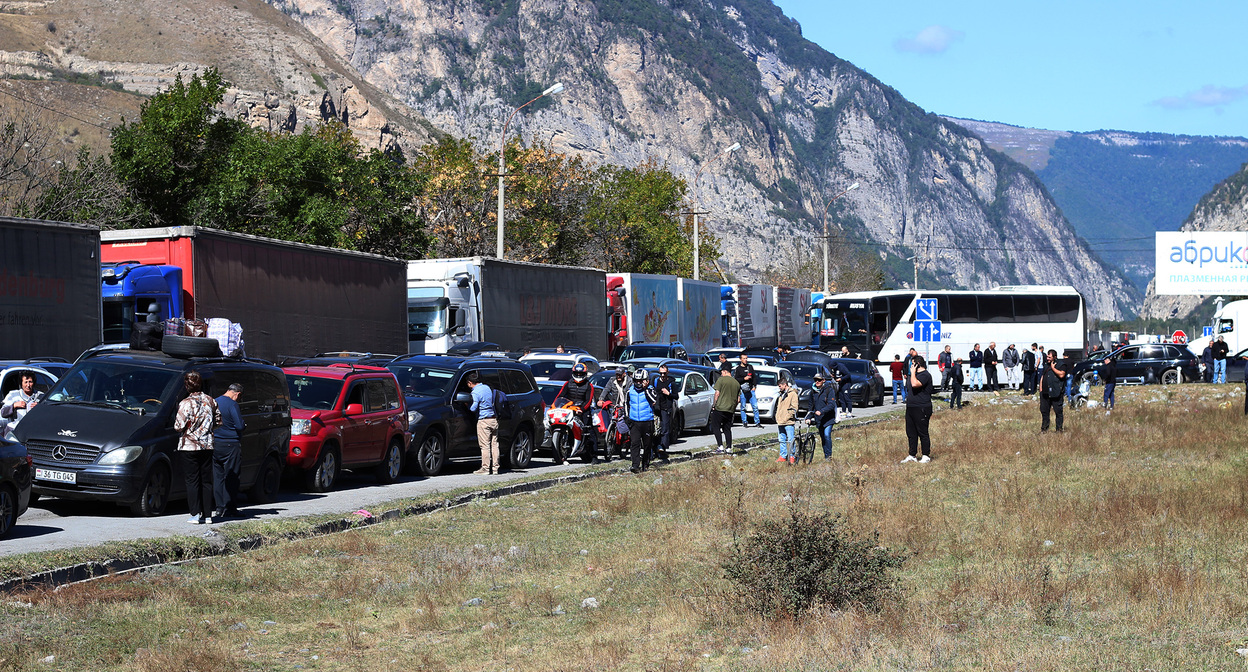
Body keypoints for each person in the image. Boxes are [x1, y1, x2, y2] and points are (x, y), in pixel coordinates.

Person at [174, 371, 219, 525]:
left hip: (189, 446)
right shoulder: (210, 400)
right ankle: (208, 515)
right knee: (206, 480)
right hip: (207, 444)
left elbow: (178, 426)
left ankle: (195, 514)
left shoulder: (185, 403)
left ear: (187, 385)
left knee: (192, 480)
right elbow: (219, 421)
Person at [212, 382, 245, 519]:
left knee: (217, 476)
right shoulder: (232, 405)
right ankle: (230, 507)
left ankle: (219, 507)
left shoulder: (214, 402)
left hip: (215, 443)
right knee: (231, 476)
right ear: (237, 393)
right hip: (230, 443)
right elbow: (239, 425)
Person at [553, 362, 598, 463]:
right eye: (576, 374)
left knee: (589, 430)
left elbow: (588, 400)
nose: (578, 376)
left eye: (580, 374)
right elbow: (560, 396)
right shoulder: (568, 383)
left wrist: (581, 409)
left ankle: (594, 455)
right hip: (569, 409)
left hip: (583, 410)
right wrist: (555, 406)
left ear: (585, 374)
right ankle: (559, 452)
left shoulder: (589, 385)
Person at [624, 369, 659, 473]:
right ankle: (635, 465)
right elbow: (626, 404)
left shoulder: (650, 389)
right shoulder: (630, 391)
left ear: (646, 380)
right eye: (636, 381)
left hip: (647, 421)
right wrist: (627, 417)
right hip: (634, 422)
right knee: (635, 443)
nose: (638, 383)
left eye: (641, 381)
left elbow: (655, 401)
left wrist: (646, 389)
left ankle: (645, 464)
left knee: (647, 445)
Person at [901, 355, 933, 463]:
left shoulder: (925, 375)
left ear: (917, 364)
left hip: (922, 407)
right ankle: (912, 455)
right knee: (911, 432)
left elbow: (915, 384)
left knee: (922, 432)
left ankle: (926, 455)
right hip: (911, 407)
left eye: (912, 363)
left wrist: (913, 372)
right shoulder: (912, 375)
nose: (910, 366)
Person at [467, 372, 500, 474]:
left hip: (484, 420)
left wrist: (466, 405)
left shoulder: (475, 392)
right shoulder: (487, 388)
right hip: (494, 419)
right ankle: (495, 468)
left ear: (469, 383)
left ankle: (485, 468)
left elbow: (473, 408)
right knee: (495, 444)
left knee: (485, 446)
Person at [596, 368, 630, 461]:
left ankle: (626, 440)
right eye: (617, 375)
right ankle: (612, 439)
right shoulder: (612, 380)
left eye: (620, 375)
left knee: (626, 424)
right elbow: (606, 389)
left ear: (624, 374)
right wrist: (601, 399)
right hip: (616, 405)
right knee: (613, 421)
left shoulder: (630, 381)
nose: (618, 376)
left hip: (627, 405)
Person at [1, 371, 41, 438]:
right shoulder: (13, 394)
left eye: (30, 382)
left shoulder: (40, 396)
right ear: (21, 384)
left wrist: (39, 407)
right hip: (13, 432)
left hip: (32, 433)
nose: (28, 385)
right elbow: (3, 412)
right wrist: (14, 406)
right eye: (25, 382)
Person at [710, 366, 741, 453]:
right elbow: (738, 399)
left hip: (720, 408)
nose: (721, 374)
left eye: (722, 372)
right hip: (730, 409)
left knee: (716, 427)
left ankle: (720, 446)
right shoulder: (737, 383)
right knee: (727, 428)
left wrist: (714, 405)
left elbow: (717, 393)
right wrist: (733, 407)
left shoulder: (721, 380)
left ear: (725, 371)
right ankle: (729, 447)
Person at [653, 364, 679, 460]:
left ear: (667, 372)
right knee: (656, 429)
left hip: (666, 408)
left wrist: (669, 394)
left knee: (665, 428)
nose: (662, 376)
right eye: (661, 373)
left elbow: (676, 396)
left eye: (664, 373)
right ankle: (656, 447)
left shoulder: (671, 383)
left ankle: (663, 448)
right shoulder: (656, 381)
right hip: (657, 408)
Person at [809, 372, 838, 458]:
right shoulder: (813, 391)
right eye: (815, 380)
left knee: (826, 435)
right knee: (823, 438)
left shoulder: (829, 390)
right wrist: (809, 417)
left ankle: (829, 456)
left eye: (819, 380)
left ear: (823, 380)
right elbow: (811, 406)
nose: (817, 382)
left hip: (828, 418)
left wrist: (822, 411)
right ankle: (826, 454)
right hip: (819, 419)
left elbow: (831, 404)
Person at [1039, 349, 1068, 432]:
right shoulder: (1045, 365)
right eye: (1047, 356)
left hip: (1056, 393)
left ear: (1054, 357)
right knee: (1044, 412)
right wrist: (1041, 389)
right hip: (1045, 393)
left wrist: (1053, 368)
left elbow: (1062, 375)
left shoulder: (1061, 364)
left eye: (1049, 357)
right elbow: (1042, 377)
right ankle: (1044, 429)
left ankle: (1059, 429)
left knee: (1058, 412)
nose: (1047, 358)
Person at [773, 377, 799, 464]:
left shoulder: (792, 394)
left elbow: (794, 408)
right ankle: (783, 455)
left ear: (785, 385)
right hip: (780, 421)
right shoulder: (781, 395)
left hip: (788, 422)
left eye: (780, 386)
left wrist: (786, 417)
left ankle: (792, 456)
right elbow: (779, 407)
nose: (779, 388)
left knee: (791, 439)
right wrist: (778, 417)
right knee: (781, 439)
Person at [733, 354, 761, 427]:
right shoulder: (738, 369)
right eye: (744, 358)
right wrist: (744, 379)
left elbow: (754, 377)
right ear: (740, 359)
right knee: (743, 407)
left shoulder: (750, 367)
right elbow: (736, 379)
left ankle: (757, 422)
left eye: (746, 358)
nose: (745, 360)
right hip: (743, 390)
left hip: (751, 389)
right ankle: (744, 422)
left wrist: (754, 386)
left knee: (755, 407)